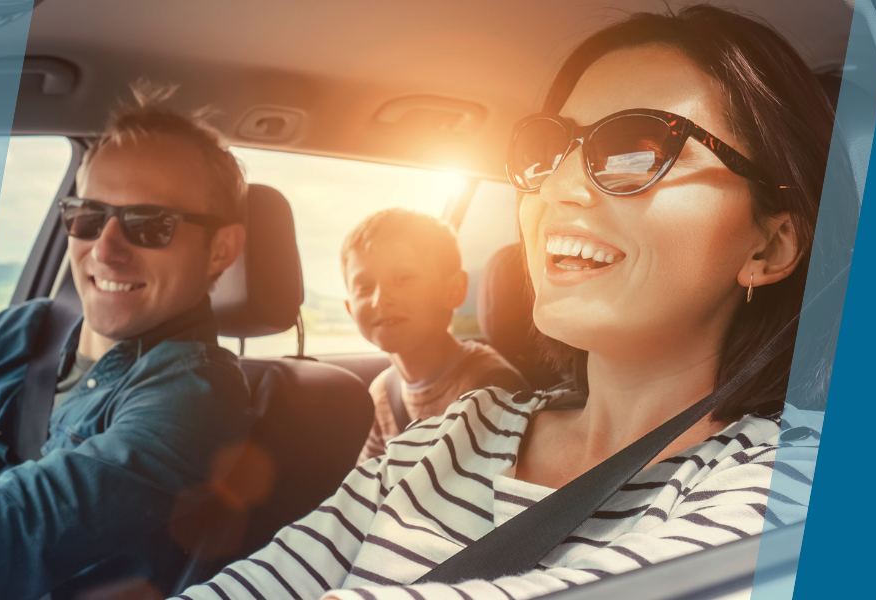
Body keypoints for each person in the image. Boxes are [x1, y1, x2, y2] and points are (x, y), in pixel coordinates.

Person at [172, 6, 833, 600]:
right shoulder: (445, 436)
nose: (558, 188)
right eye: (550, 152)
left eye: (638, 150)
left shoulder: (790, 479)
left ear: (769, 247)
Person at [0, 83, 255, 600]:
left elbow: (7, 529)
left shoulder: (195, 395)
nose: (105, 250)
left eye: (150, 225)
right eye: (87, 216)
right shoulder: (18, 332)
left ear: (221, 250)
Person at [340, 209, 527, 463]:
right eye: (364, 286)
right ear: (350, 309)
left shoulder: (491, 387)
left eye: (403, 278)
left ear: (453, 290)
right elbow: (368, 485)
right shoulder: (382, 392)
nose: (380, 299)